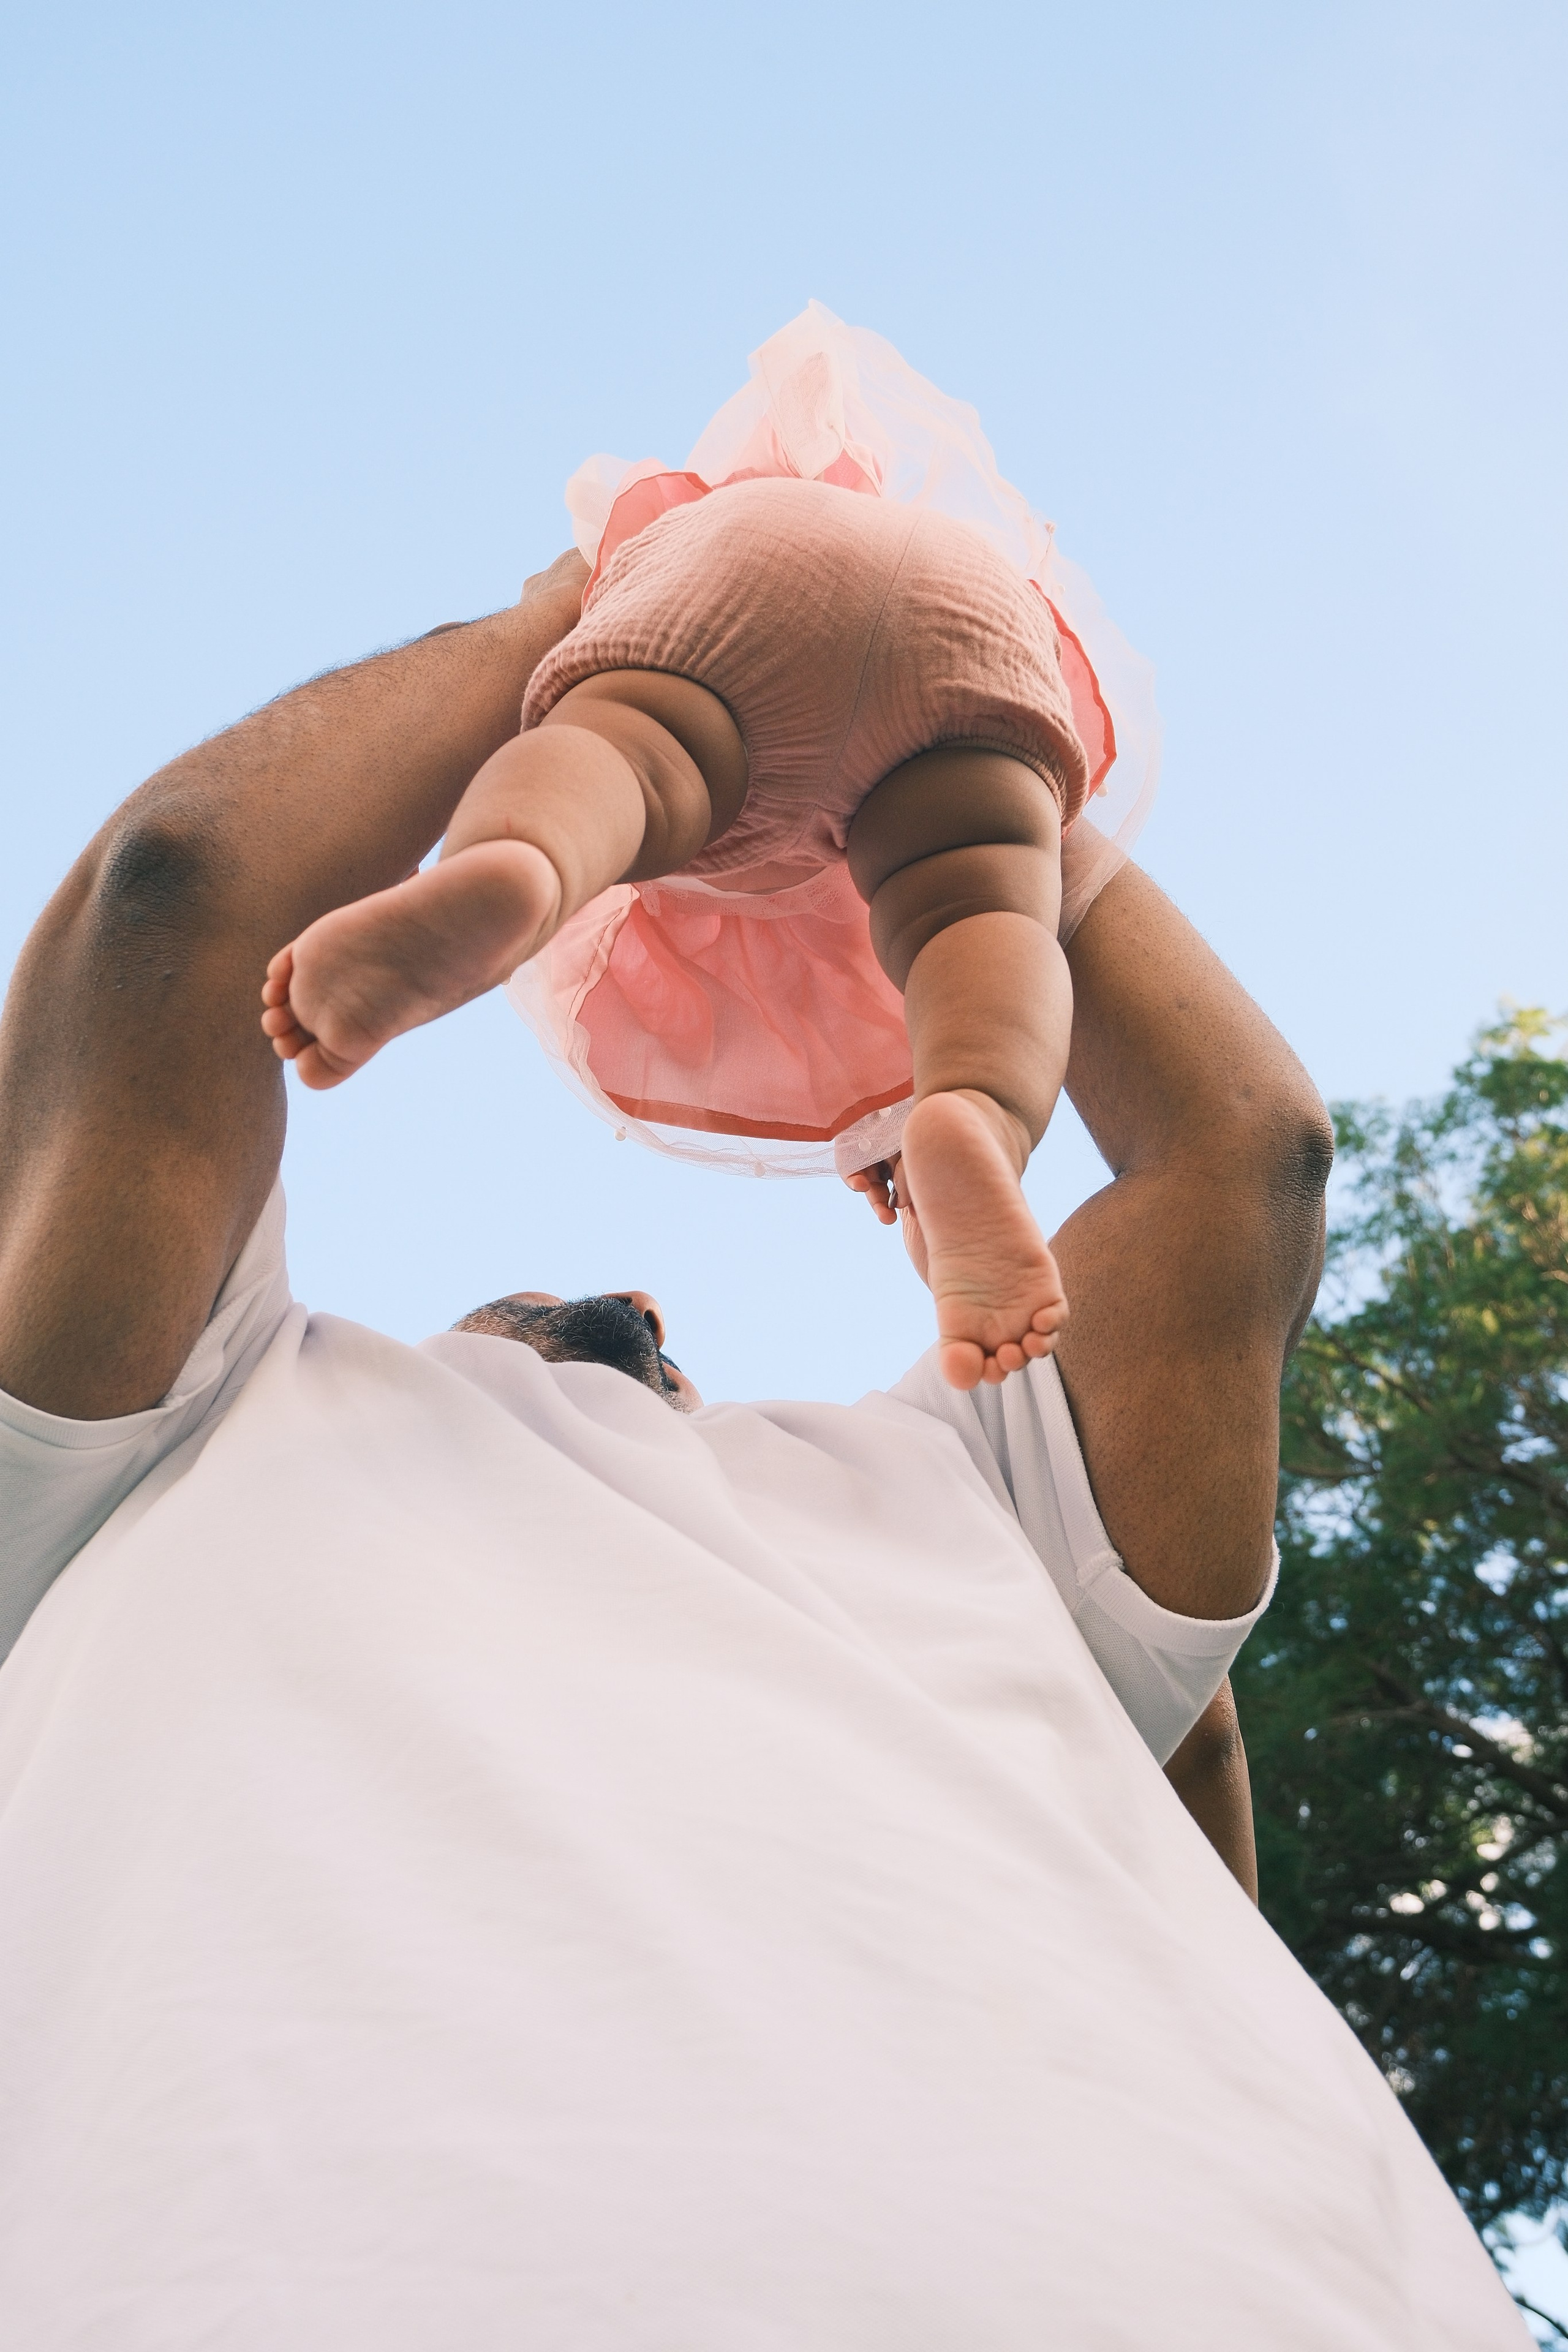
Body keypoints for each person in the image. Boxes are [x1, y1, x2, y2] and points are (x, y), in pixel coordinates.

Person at [0, 557, 1528, 2348]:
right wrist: (928, 779)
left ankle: (603, 887)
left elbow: (1248, 1156)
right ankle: (946, 1041)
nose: (619, 1292)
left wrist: (669, 665)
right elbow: (173, 898)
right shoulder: (153, 1449)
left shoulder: (977, 1498)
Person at [261, 307, 1150, 1390]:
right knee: (978, 914)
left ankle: (517, 864)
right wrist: (911, 1100)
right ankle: (978, 1110)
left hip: (736, 580)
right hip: (968, 606)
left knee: (634, 764)